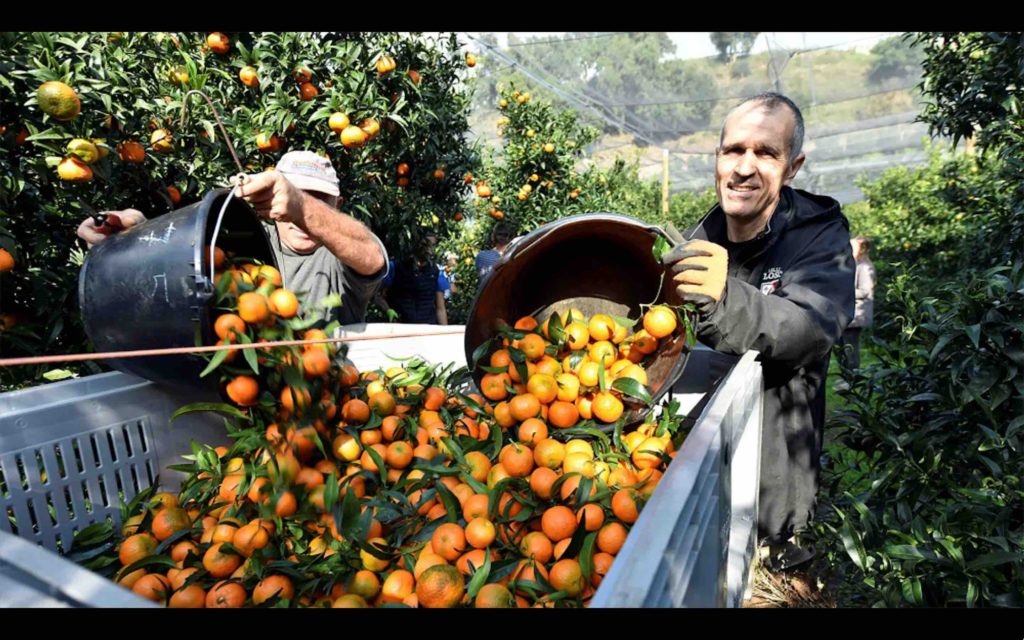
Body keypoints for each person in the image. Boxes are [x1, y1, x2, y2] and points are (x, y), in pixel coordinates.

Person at [662, 93, 855, 570]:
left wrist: (723, 298)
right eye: (733, 150)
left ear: (792, 167)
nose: (744, 167)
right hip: (701, 476)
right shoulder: (699, 240)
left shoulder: (817, 236)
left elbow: (806, 327)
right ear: (717, 158)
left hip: (775, 490)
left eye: (766, 153)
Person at [77, 151, 388, 326]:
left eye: (320, 199)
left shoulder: (338, 251)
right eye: (298, 194)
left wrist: (301, 207)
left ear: (338, 206)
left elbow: (371, 255)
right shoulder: (250, 239)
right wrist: (137, 232)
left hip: (326, 391)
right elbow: (185, 251)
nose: (299, 216)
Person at [376, 233, 448, 325]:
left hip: (427, 329)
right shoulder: (396, 267)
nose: (429, 250)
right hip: (401, 329)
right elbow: (378, 296)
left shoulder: (437, 273)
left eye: (432, 245)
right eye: (424, 244)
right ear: (415, 244)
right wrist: (388, 310)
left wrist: (444, 332)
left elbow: (440, 309)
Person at [837, 236, 875, 372]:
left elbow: (865, 291)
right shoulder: (852, 264)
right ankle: (846, 375)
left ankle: (852, 377)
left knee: (851, 347)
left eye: (853, 246)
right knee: (843, 346)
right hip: (847, 313)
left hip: (857, 315)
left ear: (861, 249)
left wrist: (842, 292)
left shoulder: (865, 267)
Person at [475, 222, 513, 289]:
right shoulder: (514, 257)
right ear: (510, 238)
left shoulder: (481, 256)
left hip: (485, 297)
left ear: (493, 237)